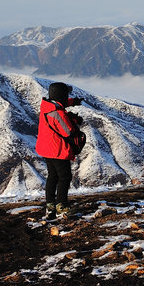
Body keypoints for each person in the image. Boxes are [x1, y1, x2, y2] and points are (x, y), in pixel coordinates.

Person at [35, 81, 82, 219]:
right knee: (64, 177)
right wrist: (75, 120)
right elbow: (69, 131)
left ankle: (50, 206)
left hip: (46, 148)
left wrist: (73, 102)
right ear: (62, 95)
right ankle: (62, 206)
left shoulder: (47, 106)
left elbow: (60, 104)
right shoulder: (58, 113)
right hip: (57, 150)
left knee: (52, 176)